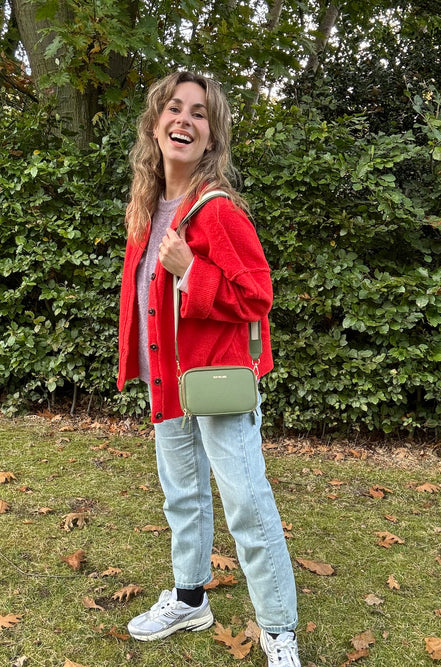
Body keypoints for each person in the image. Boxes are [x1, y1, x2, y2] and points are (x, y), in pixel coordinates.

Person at [117, 70, 302, 667]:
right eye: (174, 108)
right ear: (154, 124)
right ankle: (190, 598)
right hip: (169, 380)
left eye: (199, 113)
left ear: (212, 137)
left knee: (246, 503)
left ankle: (278, 629)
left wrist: (191, 272)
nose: (185, 120)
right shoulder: (147, 211)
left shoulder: (216, 211)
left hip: (216, 381)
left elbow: (258, 294)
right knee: (183, 498)